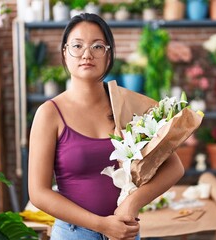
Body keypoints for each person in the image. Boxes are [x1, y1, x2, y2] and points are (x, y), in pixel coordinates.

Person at [28, 13, 184, 240]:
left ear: (108, 53)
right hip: (74, 234)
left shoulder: (128, 105)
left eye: (97, 46)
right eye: (77, 45)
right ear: (64, 52)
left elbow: (174, 168)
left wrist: (132, 203)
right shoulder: (49, 113)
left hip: (125, 233)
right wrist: (102, 225)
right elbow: (38, 193)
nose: (87, 54)